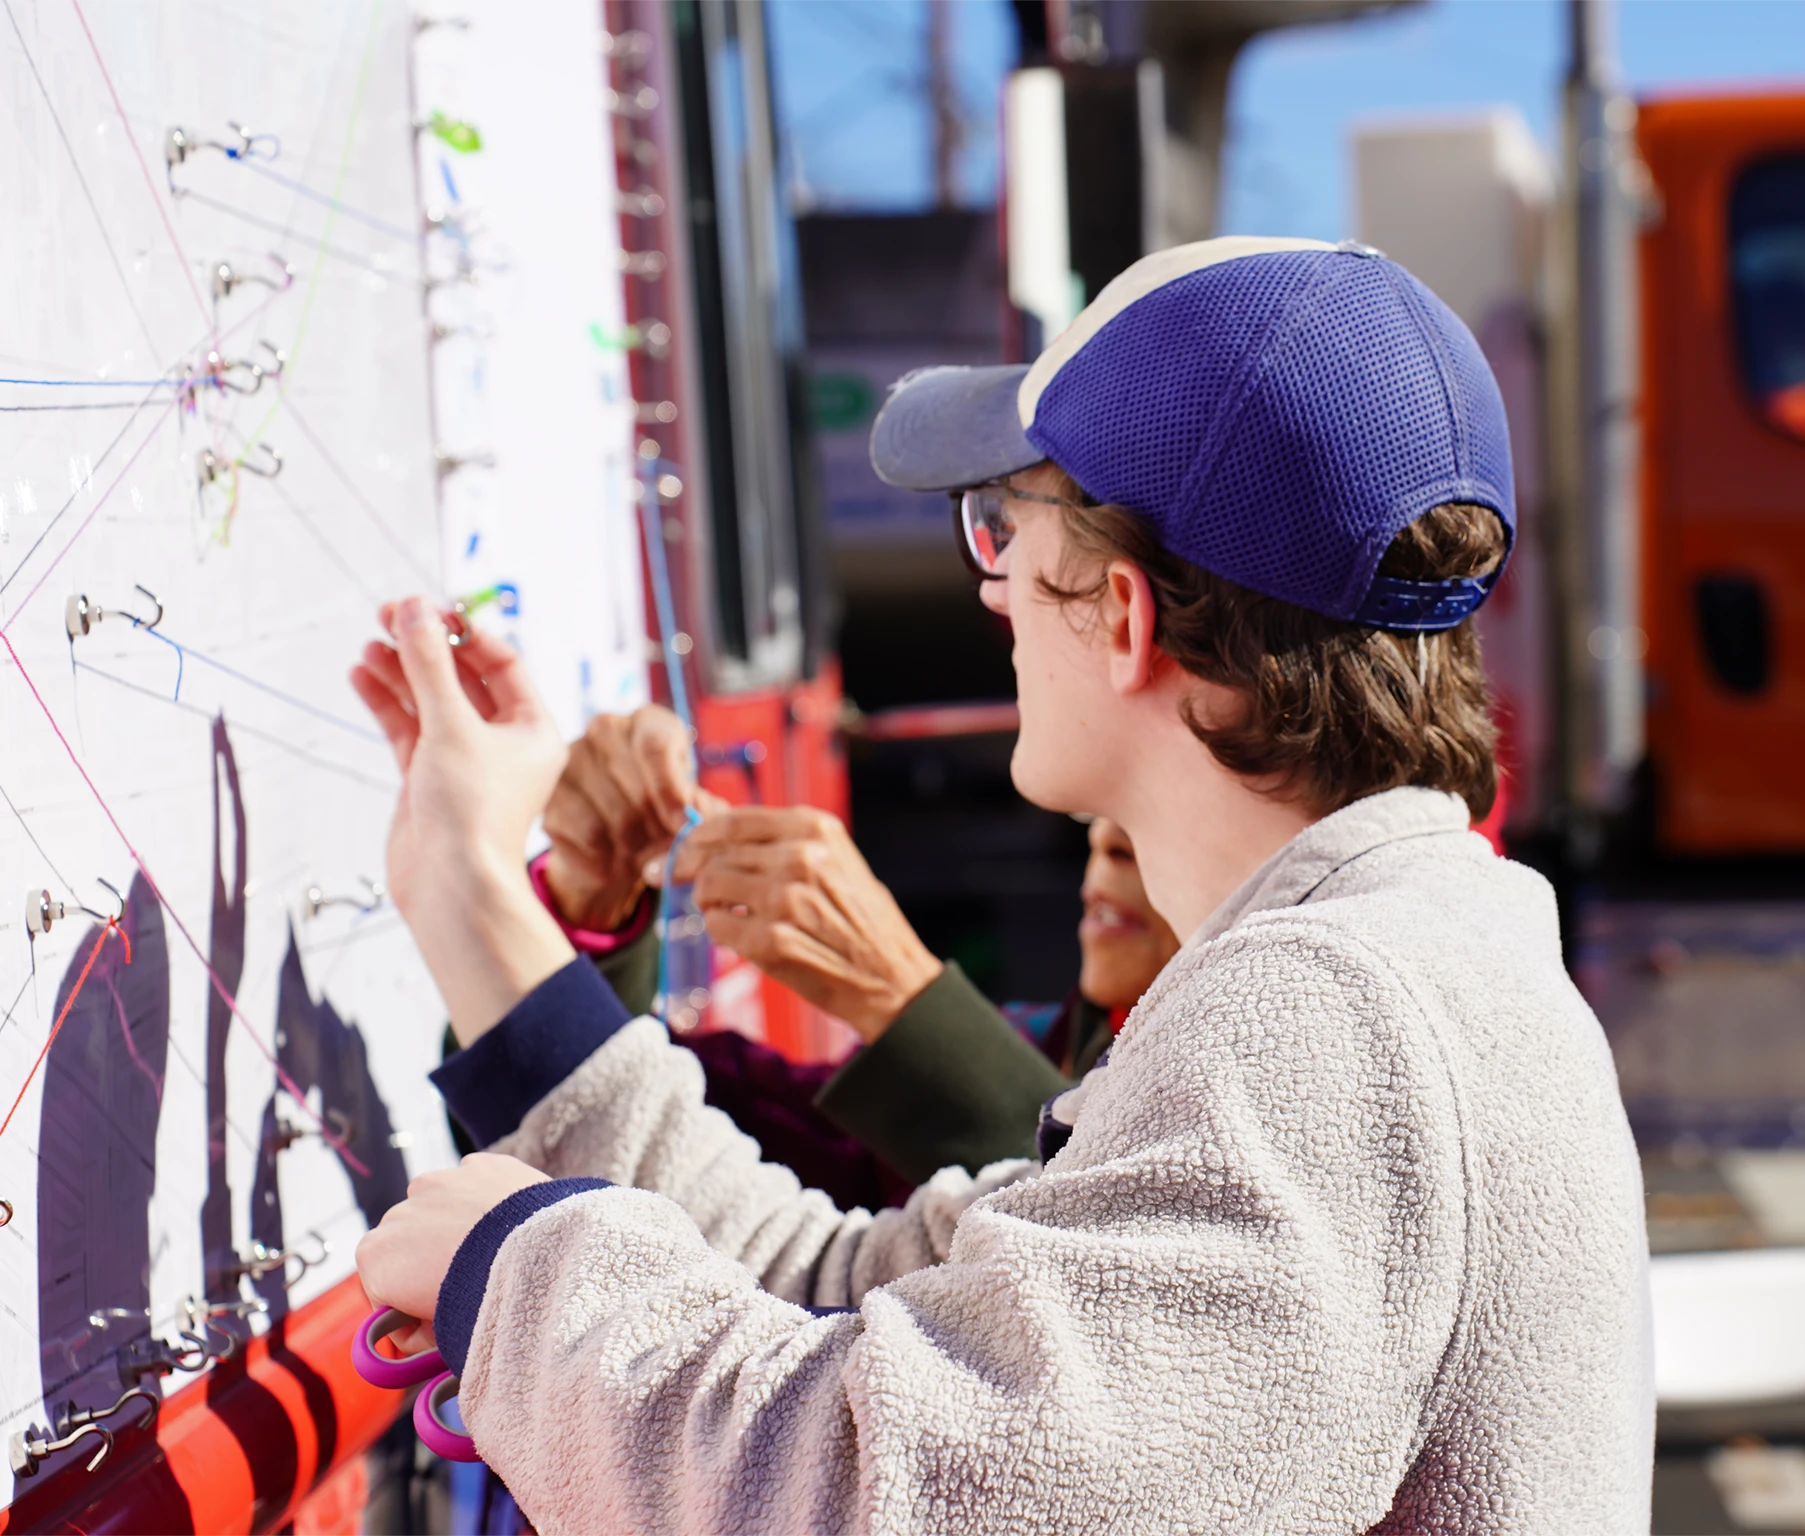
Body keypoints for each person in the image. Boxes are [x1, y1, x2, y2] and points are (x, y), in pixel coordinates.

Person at [350, 236, 1651, 1533]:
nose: (992, 591)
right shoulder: (1404, 962)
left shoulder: (1332, 1018)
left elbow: (880, 1493)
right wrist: (466, 891)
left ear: (1125, 616)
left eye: (1003, 526)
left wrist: (519, 1270)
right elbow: (845, 1292)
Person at [526, 715, 1176, 1198]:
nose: (1107, 836)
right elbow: (614, 1122)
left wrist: (900, 998)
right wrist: (591, 906)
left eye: (1171, 797)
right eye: (1109, 806)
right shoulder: (1042, 1040)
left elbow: (1096, 1265)